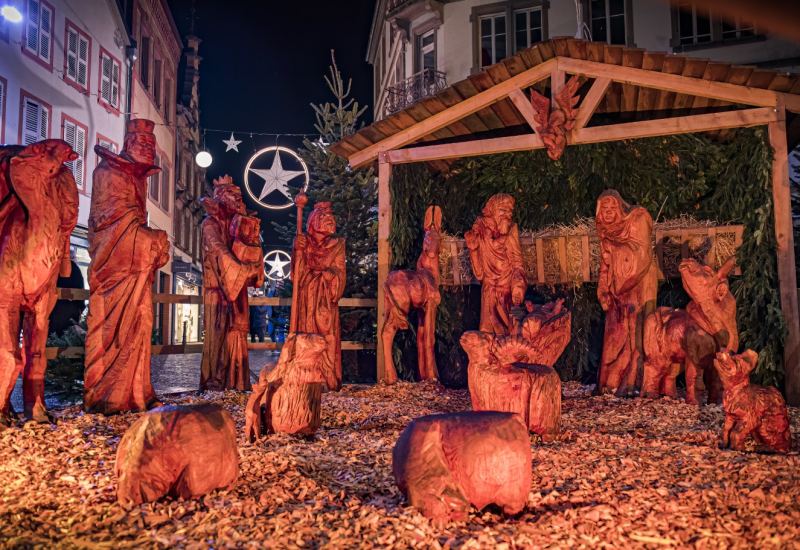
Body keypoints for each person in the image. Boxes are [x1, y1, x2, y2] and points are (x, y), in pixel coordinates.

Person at [84, 119, 170, 414]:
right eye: (143, 144)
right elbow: (110, 223)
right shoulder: (107, 172)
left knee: (143, 320)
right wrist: (151, 239)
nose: (150, 150)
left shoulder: (137, 179)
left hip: (136, 267)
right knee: (114, 327)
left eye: (152, 145)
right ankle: (109, 394)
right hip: (115, 269)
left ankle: (138, 391)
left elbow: (132, 223)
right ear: (128, 144)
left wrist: (151, 240)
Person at [199, 176, 263, 391]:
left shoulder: (241, 224)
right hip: (217, 289)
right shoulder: (210, 223)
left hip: (238, 289)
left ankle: (236, 380)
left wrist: (254, 264)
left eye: (239, 195)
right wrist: (243, 269)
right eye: (232, 194)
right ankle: (214, 381)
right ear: (220, 197)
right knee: (217, 334)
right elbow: (218, 250)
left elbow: (252, 249)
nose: (238, 198)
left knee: (237, 331)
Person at [595, 190, 658, 398]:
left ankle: (635, 380)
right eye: (604, 209)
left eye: (613, 208)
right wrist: (603, 290)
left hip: (638, 285)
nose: (608, 213)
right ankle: (611, 382)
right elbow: (605, 265)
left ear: (621, 209)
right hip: (617, 293)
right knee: (615, 333)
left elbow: (641, 255)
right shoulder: (605, 229)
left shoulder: (636, 219)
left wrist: (613, 248)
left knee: (637, 332)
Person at [291, 202, 346, 391]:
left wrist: (327, 276)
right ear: (314, 222)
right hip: (307, 300)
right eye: (325, 218)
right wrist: (296, 250)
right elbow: (296, 275)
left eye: (332, 218)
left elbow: (340, 273)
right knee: (308, 335)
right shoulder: (303, 242)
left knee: (327, 337)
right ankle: (307, 374)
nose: (331, 220)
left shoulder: (338, 245)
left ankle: (327, 376)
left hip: (325, 302)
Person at [464, 194, 527, 335]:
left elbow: (518, 262)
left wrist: (518, 285)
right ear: (492, 210)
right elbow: (479, 274)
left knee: (509, 333)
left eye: (510, 211)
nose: (508, 214)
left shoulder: (511, 230)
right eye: (504, 210)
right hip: (489, 291)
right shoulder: (480, 231)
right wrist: (473, 250)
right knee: (487, 334)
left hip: (507, 292)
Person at [48, 247, 86, 337]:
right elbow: (81, 292)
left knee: (51, 337)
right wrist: (81, 307)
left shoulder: (54, 267)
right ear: (72, 258)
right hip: (71, 310)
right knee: (67, 339)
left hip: (53, 309)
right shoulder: (75, 269)